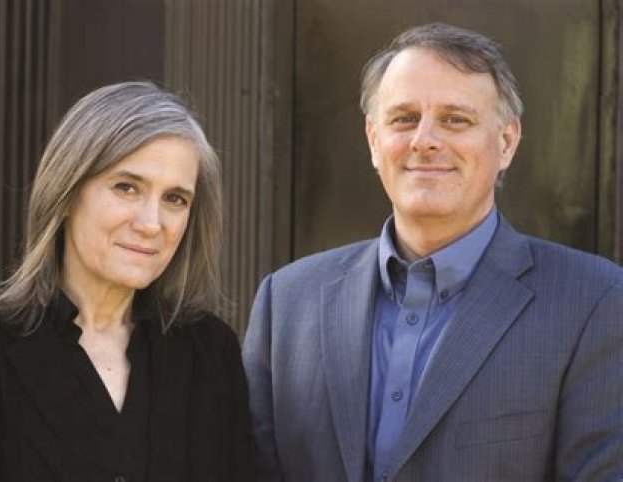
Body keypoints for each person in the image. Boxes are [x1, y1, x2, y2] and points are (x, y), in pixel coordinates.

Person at [243, 22, 623, 481]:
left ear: (506, 142)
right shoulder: (286, 303)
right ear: (373, 141)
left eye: (455, 119)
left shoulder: (593, 302)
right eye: (404, 118)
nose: (424, 139)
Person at [0, 81, 255, 481]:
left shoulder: (211, 352)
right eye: (127, 188)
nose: (151, 223)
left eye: (175, 199)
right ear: (66, 194)